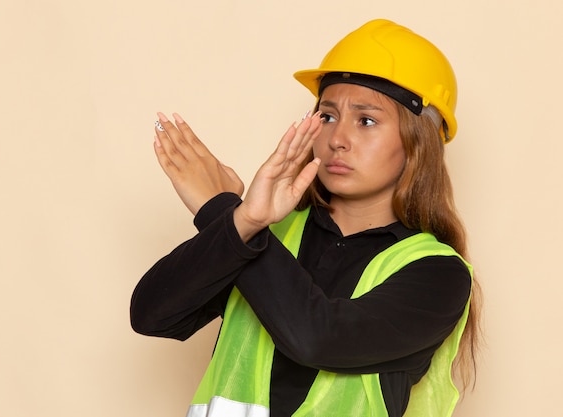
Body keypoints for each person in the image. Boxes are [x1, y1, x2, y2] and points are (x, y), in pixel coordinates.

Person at [130, 19, 481, 417]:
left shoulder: (438, 274)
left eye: (366, 121)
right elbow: (153, 316)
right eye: (328, 116)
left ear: (419, 143)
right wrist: (240, 222)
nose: (336, 139)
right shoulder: (267, 231)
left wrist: (220, 209)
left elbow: (320, 338)